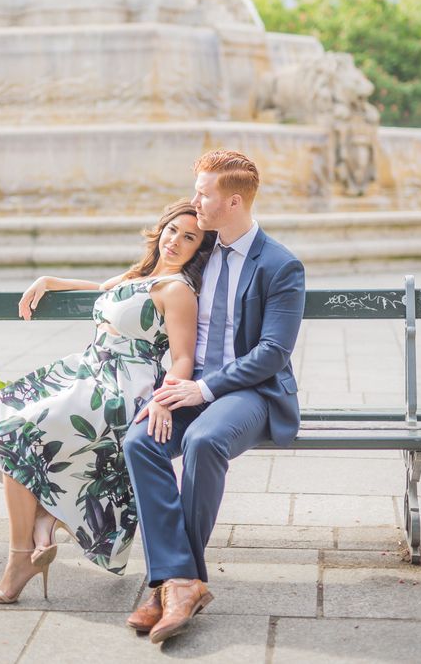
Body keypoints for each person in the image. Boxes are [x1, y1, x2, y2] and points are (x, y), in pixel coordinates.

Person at [0, 200, 215, 604]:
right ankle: (44, 525)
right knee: (2, 415)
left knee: (21, 433)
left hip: (121, 385)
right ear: (161, 228)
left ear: (198, 250)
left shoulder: (178, 290)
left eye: (190, 238)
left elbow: (183, 357)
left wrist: (165, 401)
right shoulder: (141, 275)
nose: (176, 241)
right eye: (173, 230)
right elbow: (102, 289)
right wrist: (48, 280)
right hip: (87, 370)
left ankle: (21, 558)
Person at [123, 150, 305, 644]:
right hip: (190, 383)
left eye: (203, 194)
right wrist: (166, 390)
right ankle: (181, 583)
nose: (194, 202)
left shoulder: (280, 265)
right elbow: (138, 281)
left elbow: (272, 353)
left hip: (252, 391)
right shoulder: (200, 251)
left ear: (234, 201)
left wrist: (200, 388)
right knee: (140, 441)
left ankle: (167, 586)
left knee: (203, 441)